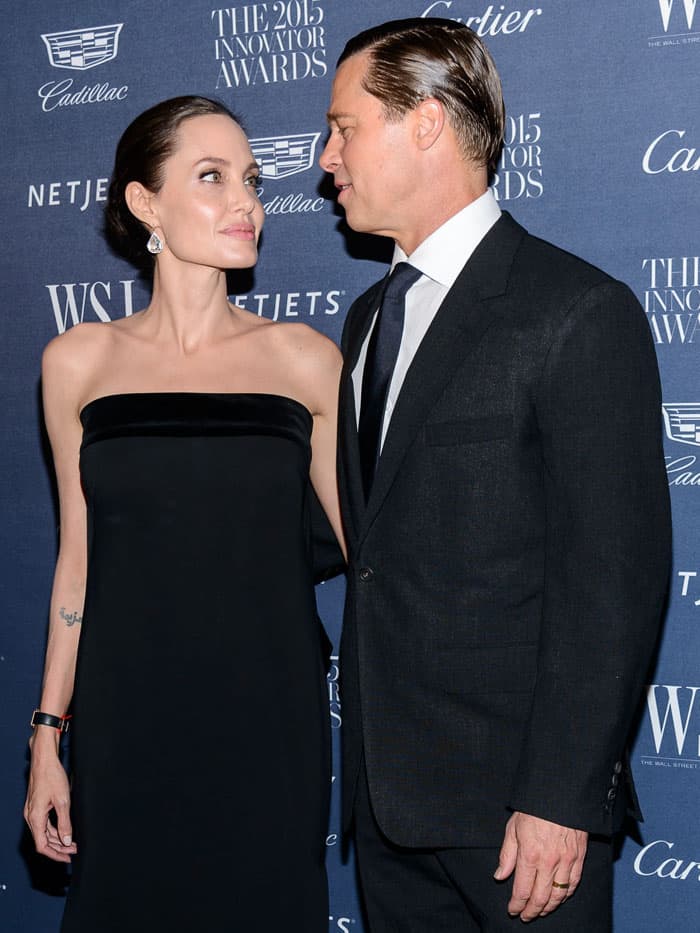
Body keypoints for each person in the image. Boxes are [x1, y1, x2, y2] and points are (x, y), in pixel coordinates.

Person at [320, 18, 671, 931]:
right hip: (389, 806)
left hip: (521, 821)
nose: (326, 157)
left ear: (426, 122)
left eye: (345, 126)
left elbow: (615, 581)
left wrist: (561, 795)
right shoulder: (367, 320)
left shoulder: (576, 311)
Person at [24, 95, 344, 933]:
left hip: (269, 721)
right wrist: (49, 735)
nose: (246, 202)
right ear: (145, 203)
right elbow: (76, 562)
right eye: (212, 177)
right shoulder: (77, 361)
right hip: (126, 719)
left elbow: (372, 559)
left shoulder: (306, 361)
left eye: (252, 179)